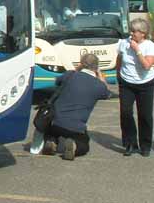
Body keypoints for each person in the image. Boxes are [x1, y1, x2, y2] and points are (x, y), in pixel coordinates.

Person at [41, 53, 110, 160]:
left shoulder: (70, 75)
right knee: (84, 143)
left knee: (51, 131)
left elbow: (57, 81)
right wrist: (100, 75)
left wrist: (76, 70)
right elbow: (107, 93)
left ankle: (51, 141)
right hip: (76, 127)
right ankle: (75, 146)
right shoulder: (99, 86)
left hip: (55, 121)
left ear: (81, 64)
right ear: (96, 68)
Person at [116, 18, 154, 157]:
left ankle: (145, 145)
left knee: (145, 115)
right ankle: (130, 143)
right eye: (130, 30)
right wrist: (118, 74)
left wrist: (137, 49)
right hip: (127, 82)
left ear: (143, 33)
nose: (131, 34)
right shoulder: (123, 43)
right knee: (125, 113)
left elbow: (146, 66)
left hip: (146, 83)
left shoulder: (149, 46)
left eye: (134, 31)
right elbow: (119, 58)